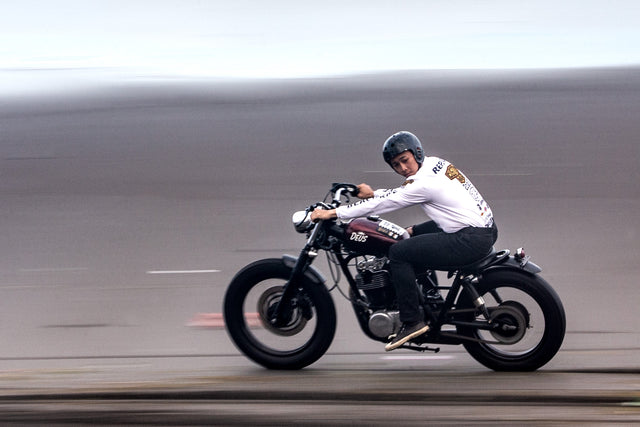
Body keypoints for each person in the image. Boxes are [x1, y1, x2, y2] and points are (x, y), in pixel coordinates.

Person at [311, 131, 497, 351]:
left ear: (417, 153)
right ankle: (429, 296)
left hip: (469, 239)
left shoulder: (423, 184)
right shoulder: (435, 164)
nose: (403, 168)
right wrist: (373, 193)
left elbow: (388, 203)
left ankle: (412, 321)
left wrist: (334, 213)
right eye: (396, 165)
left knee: (399, 253)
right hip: (480, 228)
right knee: (410, 234)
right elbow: (402, 191)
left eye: (405, 160)